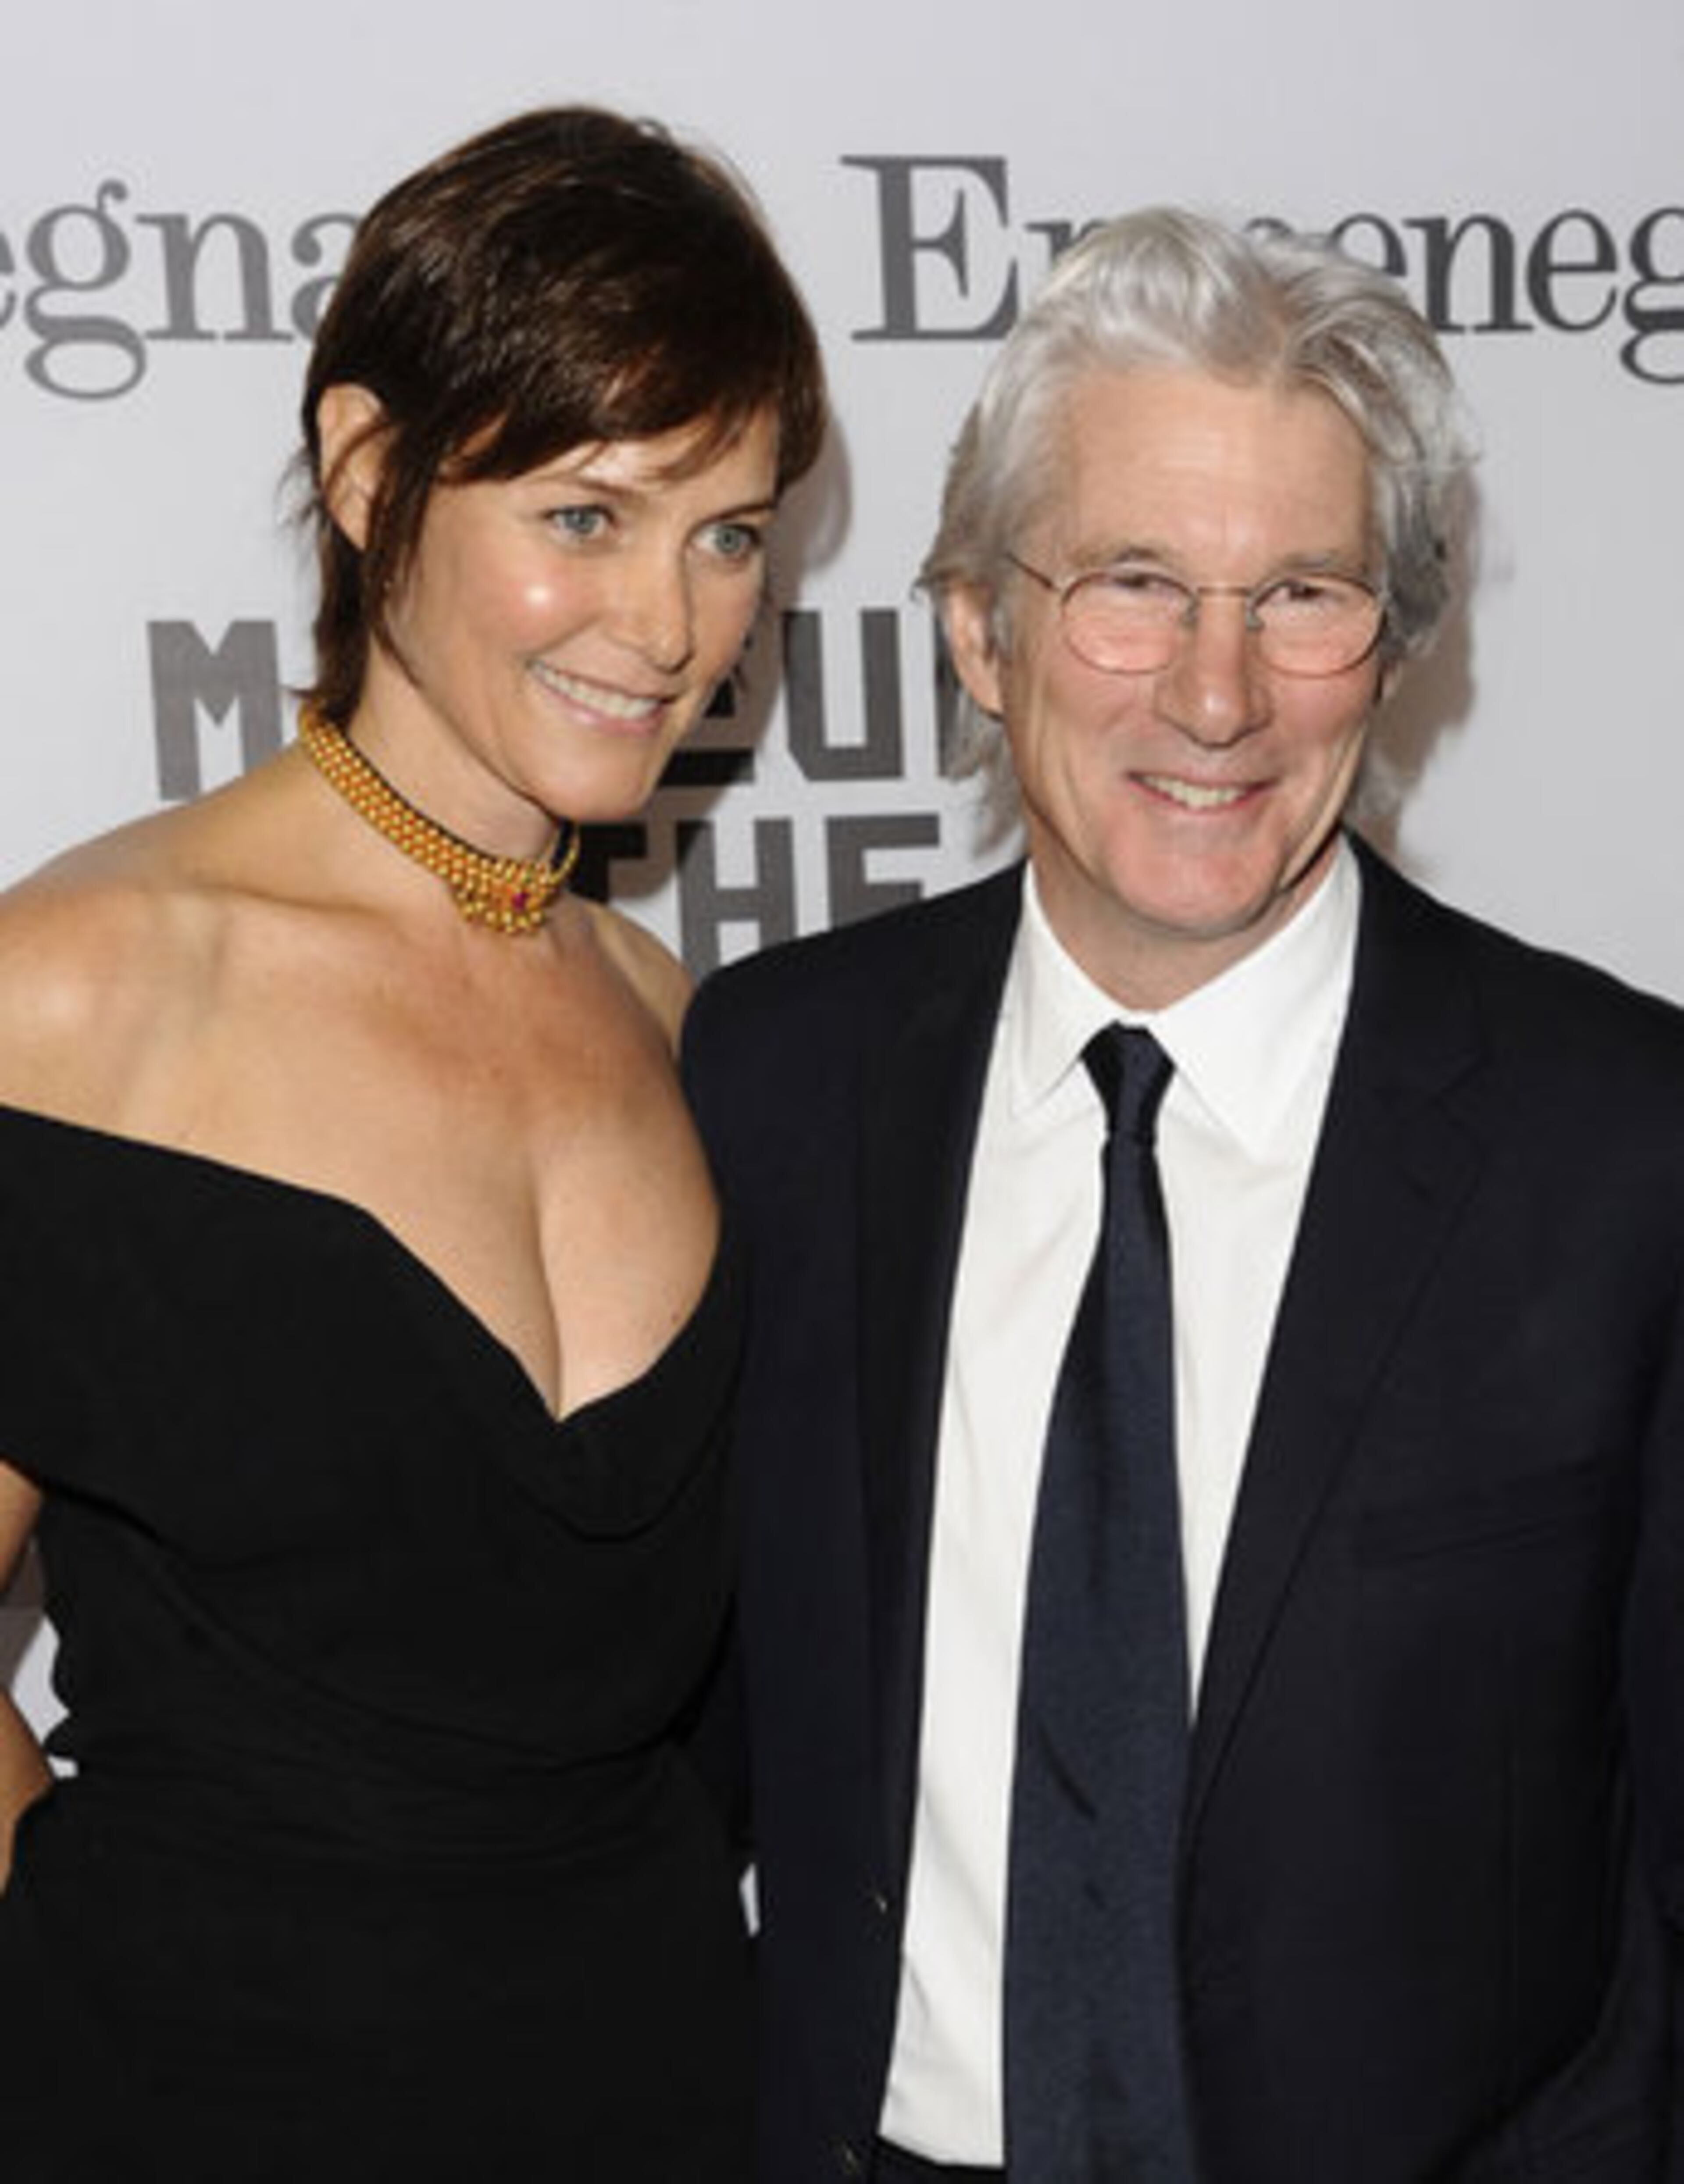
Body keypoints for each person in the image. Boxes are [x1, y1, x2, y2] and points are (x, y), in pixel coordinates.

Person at [683, 207, 1684, 2181]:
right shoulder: (774, 1083)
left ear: (1395, 644)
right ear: (980, 628)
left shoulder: (1629, 1149)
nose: (1218, 697)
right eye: (1134, 585)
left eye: (1303, 594)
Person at [0, 104, 824, 2180]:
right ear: (370, 473)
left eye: (728, 533)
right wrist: (102, 1996)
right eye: (586, 513)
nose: (667, 622)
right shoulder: (77, 995)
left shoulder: (684, 1029)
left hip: (662, 2087)